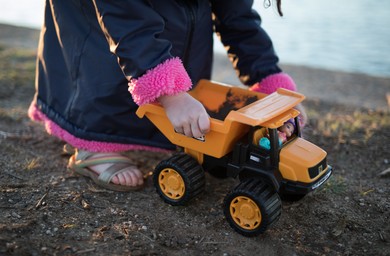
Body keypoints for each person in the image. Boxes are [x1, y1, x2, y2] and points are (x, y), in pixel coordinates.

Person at [28, 0, 307, 191]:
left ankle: (162, 105)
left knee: (174, 75)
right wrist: (171, 94)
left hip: (174, 19)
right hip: (104, 13)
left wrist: (269, 81)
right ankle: (93, 142)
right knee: (106, 58)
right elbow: (125, 14)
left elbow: (239, 20)